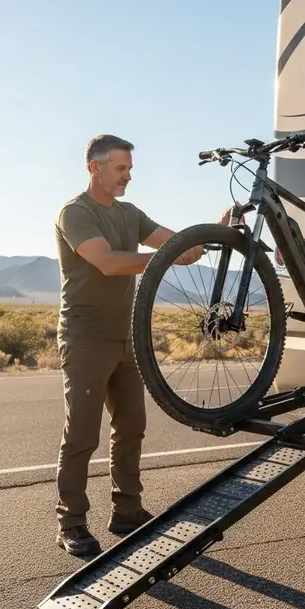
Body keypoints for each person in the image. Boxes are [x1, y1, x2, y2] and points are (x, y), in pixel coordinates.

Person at [53, 133, 235, 556]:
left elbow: (181, 249)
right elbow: (109, 262)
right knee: (81, 434)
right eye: (120, 168)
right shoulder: (74, 213)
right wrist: (170, 255)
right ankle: (72, 523)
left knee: (132, 426)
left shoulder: (130, 214)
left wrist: (215, 231)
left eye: (130, 169)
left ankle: (127, 511)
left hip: (126, 337)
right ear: (94, 167)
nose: (128, 176)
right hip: (86, 338)